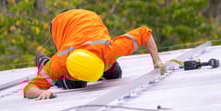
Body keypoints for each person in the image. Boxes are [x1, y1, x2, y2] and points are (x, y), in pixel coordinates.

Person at [24, 9, 165, 100]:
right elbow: (29, 89)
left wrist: (157, 61)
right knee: (75, 84)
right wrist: (41, 92)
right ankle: (43, 62)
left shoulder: (109, 51)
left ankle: (98, 73)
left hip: (86, 18)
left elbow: (145, 33)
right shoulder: (60, 61)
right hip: (60, 24)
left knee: (115, 74)